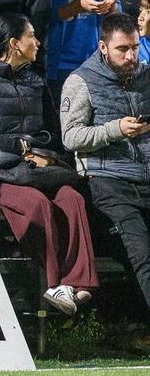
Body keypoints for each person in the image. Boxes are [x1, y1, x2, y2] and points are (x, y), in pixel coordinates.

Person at [0, 12, 99, 316]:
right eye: (31, 36)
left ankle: (80, 283)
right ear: (14, 43)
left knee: (72, 198)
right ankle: (55, 284)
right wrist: (23, 150)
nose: (37, 42)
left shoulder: (37, 81)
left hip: (35, 168)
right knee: (38, 204)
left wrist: (40, 153)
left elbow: (53, 134)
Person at [61, 16, 150, 318]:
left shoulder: (146, 76)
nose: (131, 57)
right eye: (122, 49)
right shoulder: (81, 81)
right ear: (102, 47)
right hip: (108, 181)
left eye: (136, 48)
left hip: (146, 178)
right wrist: (115, 130)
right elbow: (70, 137)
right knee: (143, 254)